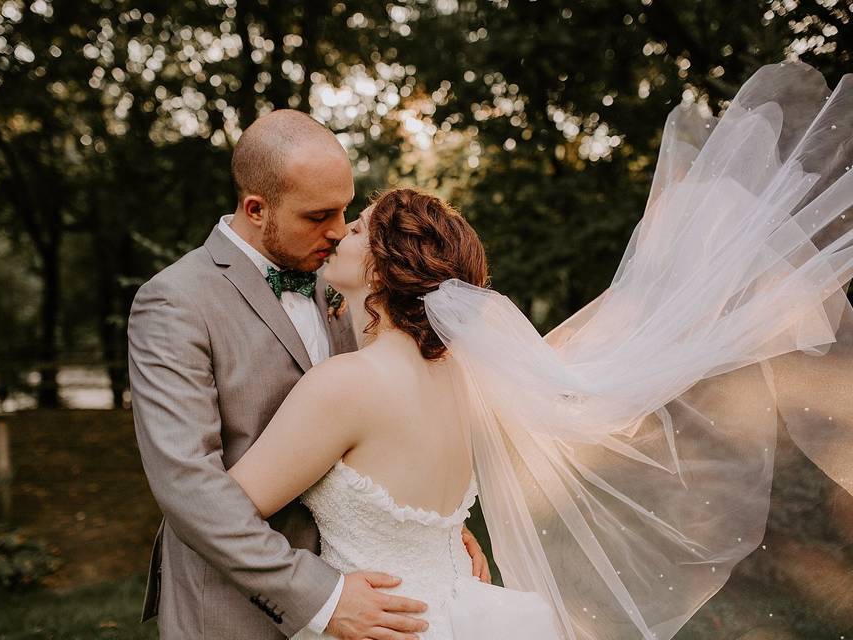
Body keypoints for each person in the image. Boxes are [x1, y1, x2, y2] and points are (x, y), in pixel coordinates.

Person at [225, 61, 853, 639]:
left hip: (378, 622)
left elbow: (226, 509)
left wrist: (326, 596)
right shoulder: (464, 378)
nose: (338, 233)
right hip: (456, 614)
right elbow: (412, 510)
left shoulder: (346, 384)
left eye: (358, 227)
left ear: (388, 267)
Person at [128, 109, 489, 640]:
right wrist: (322, 596)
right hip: (237, 605)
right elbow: (186, 483)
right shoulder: (175, 302)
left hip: (370, 595)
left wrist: (430, 528)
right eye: (319, 215)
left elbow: (389, 426)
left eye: (346, 212)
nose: (339, 231)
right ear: (256, 208)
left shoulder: (345, 289)